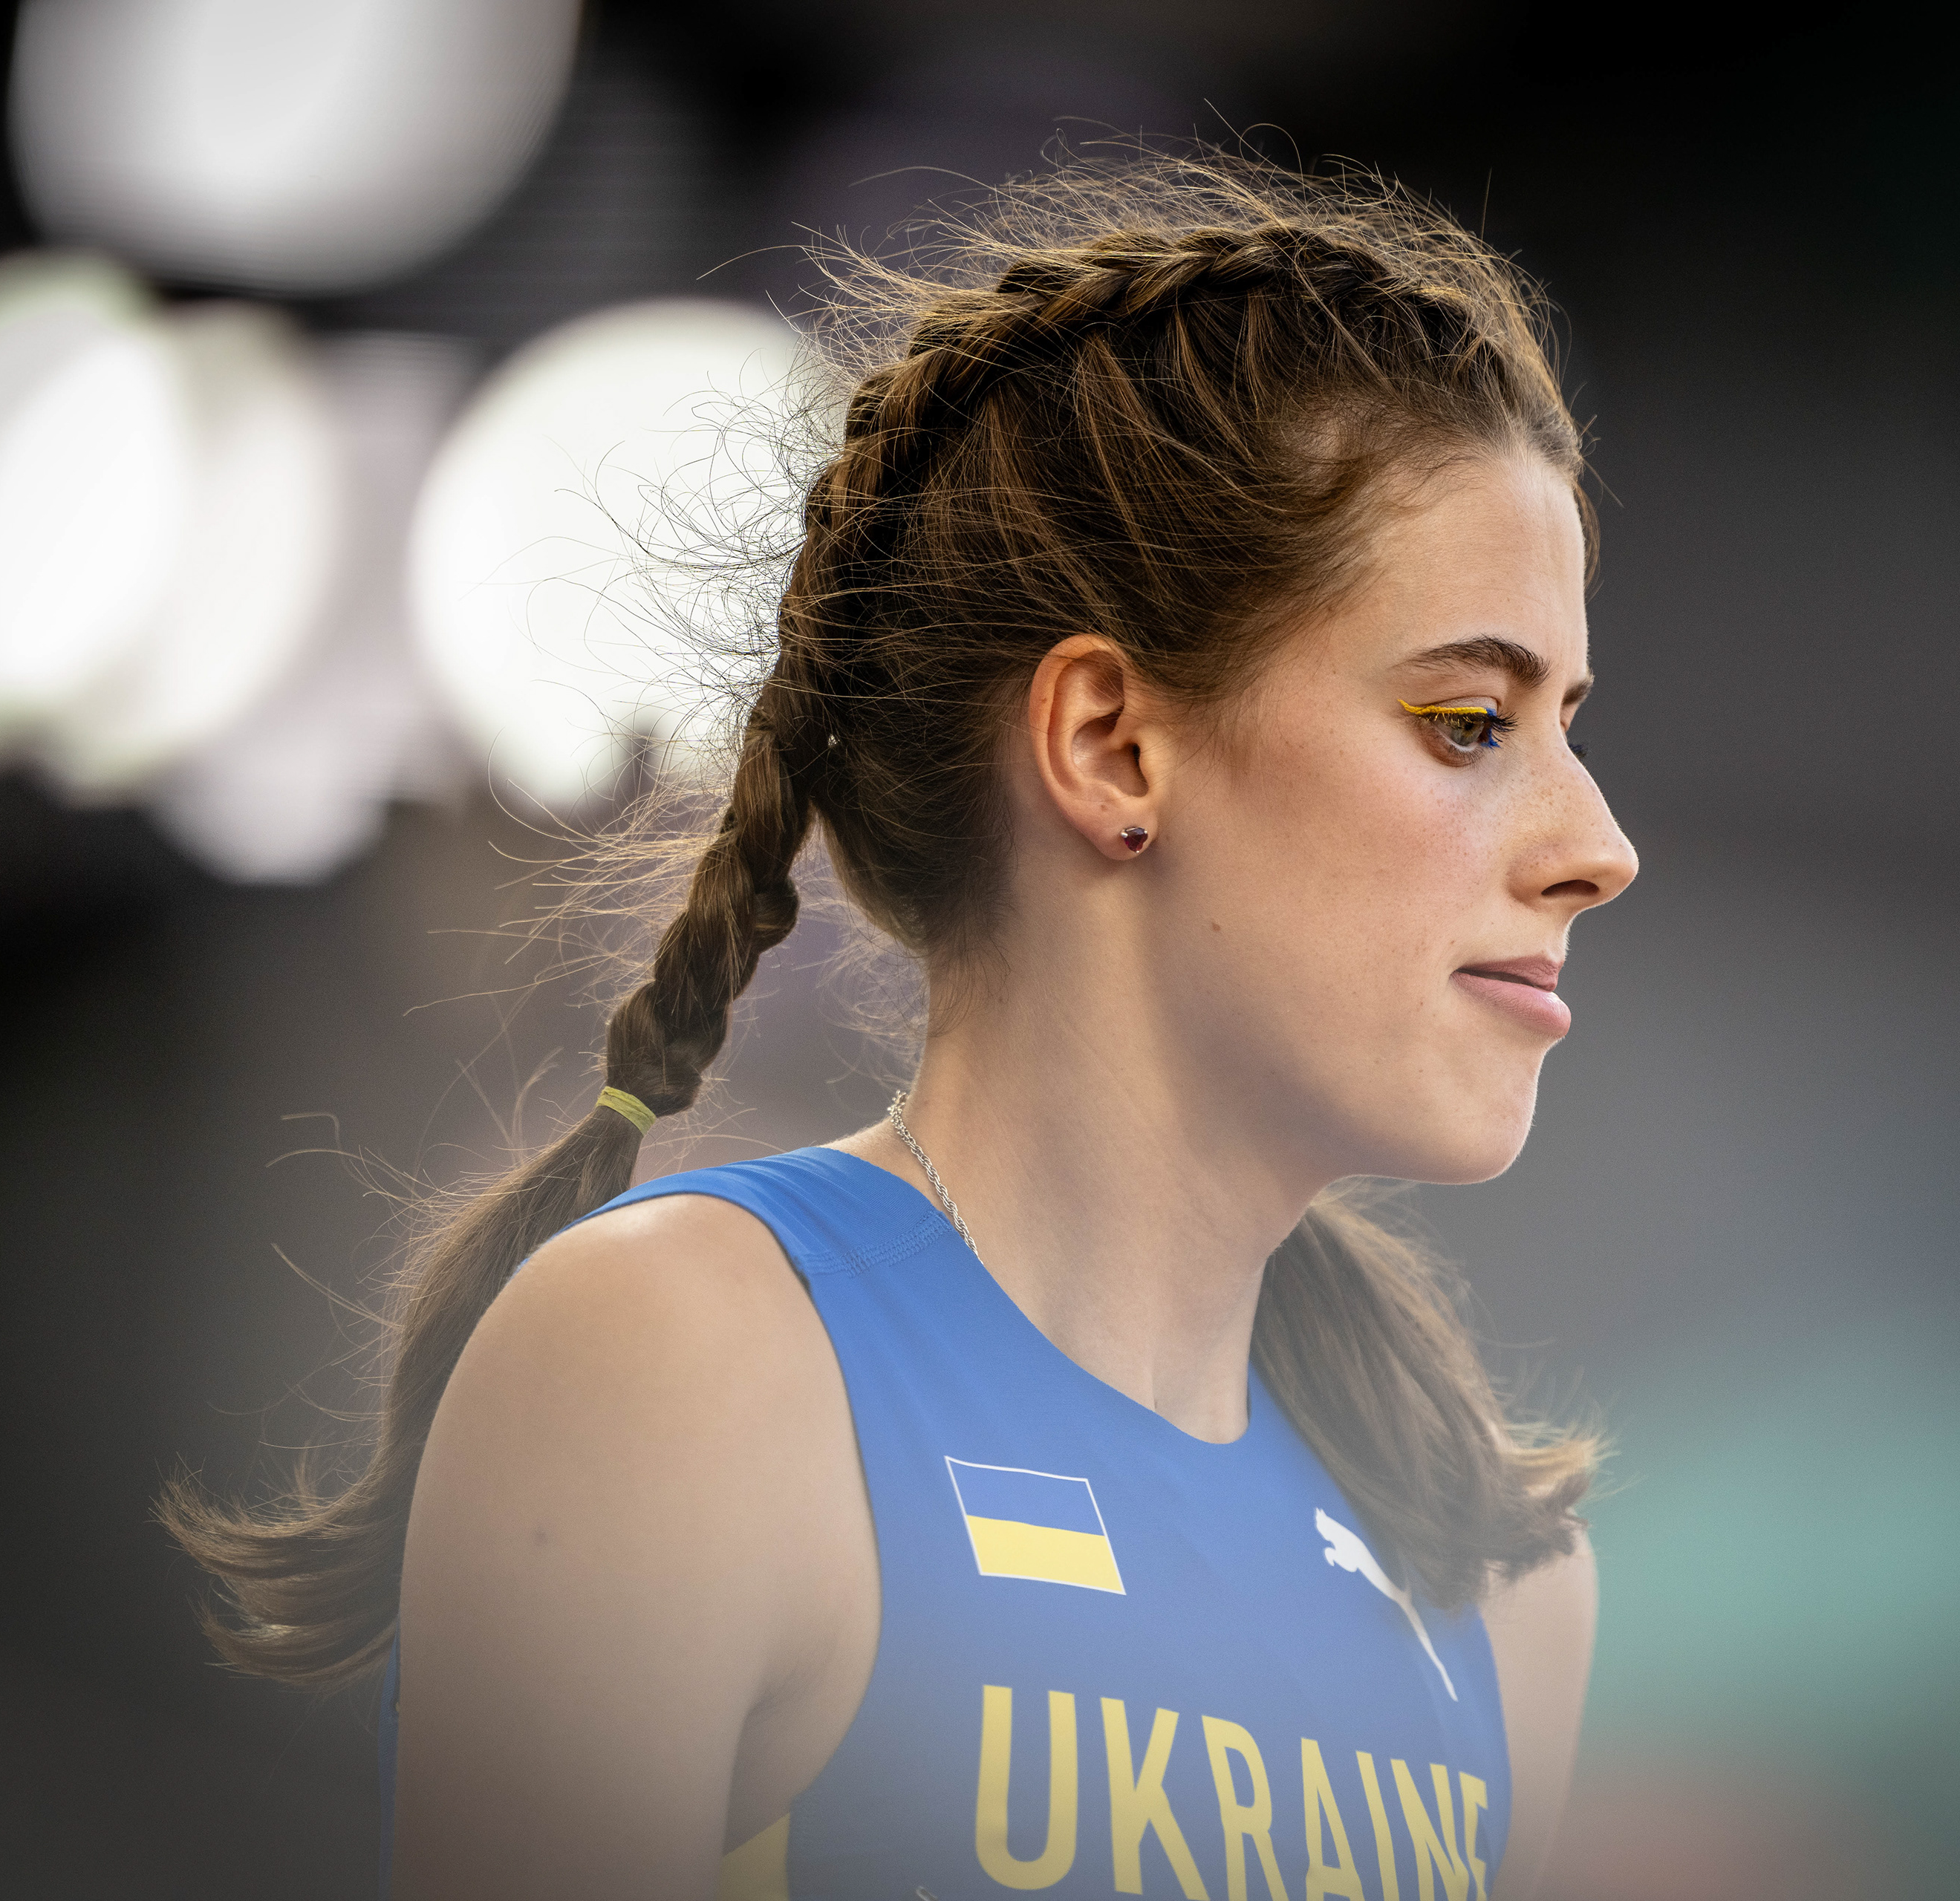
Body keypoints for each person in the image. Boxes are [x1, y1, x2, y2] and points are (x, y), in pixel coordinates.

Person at [166, 151, 1638, 1901]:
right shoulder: (682, 1366)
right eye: (1470, 721)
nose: (1598, 846)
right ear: (1109, 746)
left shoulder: (1498, 1578)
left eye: (1568, 721)